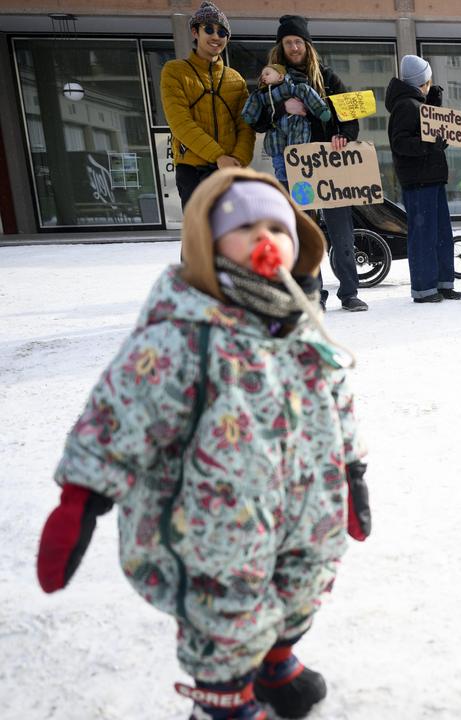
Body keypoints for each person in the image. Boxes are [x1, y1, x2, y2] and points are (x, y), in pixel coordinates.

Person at [36, 168, 370, 720]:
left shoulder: (304, 324)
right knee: (227, 600)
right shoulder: (183, 333)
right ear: (206, 242)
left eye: (278, 227)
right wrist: (80, 500)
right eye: (245, 227)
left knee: (304, 578)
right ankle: (222, 700)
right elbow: (121, 412)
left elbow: (339, 404)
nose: (266, 240)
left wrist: (353, 473)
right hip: (215, 521)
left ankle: (276, 660)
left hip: (306, 504)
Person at [254, 15, 367, 311]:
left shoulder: (327, 78)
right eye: (288, 42)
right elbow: (256, 120)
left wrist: (344, 134)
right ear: (281, 46)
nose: (294, 47)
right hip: (296, 169)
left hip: (329, 165)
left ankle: (350, 292)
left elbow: (349, 115)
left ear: (307, 45)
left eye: (298, 41)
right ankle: (312, 292)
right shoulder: (270, 81)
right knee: (304, 231)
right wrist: (281, 107)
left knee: (341, 229)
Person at [160, 1, 254, 208]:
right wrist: (218, 157)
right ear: (195, 32)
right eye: (209, 29)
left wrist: (237, 159)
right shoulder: (175, 71)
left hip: (230, 169)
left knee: (234, 235)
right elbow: (179, 122)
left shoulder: (235, 79)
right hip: (193, 170)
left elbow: (246, 124)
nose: (216, 36)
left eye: (222, 32)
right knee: (199, 236)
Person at [388, 55, 461, 303]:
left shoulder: (416, 104)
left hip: (431, 178)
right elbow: (399, 143)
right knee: (423, 236)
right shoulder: (404, 105)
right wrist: (429, 144)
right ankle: (423, 287)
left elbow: (425, 131)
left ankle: (443, 282)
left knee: (441, 233)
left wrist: (434, 106)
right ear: (423, 79)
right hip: (418, 180)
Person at [241, 63, 331, 184]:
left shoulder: (293, 88)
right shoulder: (260, 94)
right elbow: (253, 103)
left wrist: (320, 109)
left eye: (267, 74)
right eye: (262, 75)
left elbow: (307, 92)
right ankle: (281, 171)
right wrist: (249, 114)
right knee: (275, 146)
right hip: (276, 127)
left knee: (297, 146)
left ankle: (298, 169)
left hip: (295, 123)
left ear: (280, 77)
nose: (263, 77)